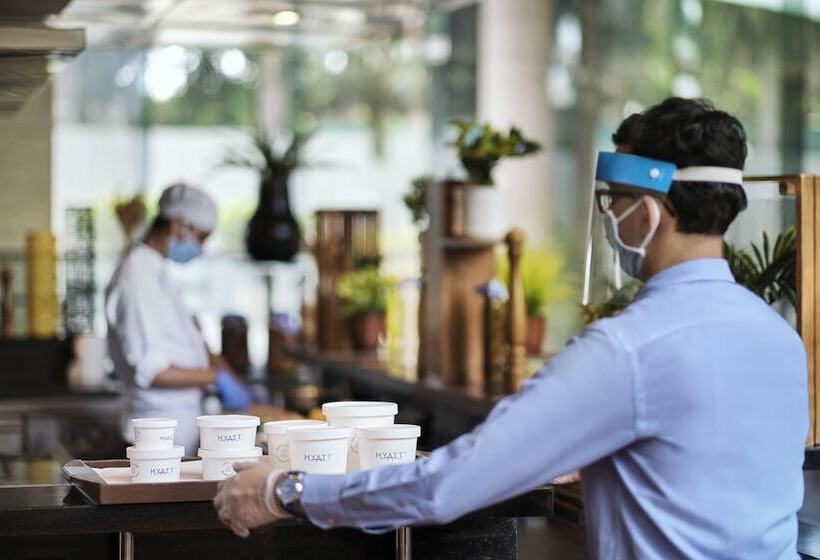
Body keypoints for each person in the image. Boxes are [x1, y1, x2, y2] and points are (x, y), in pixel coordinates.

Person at [214, 99, 808, 559]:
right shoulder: (779, 337)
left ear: (649, 211)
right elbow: (697, 462)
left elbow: (445, 488)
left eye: (616, 201)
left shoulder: (628, 349)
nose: (610, 219)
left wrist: (287, 492)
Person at [106, 183, 252, 455]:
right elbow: (152, 370)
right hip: (154, 438)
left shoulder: (156, 271)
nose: (202, 247)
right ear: (177, 225)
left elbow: (195, 344)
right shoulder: (136, 278)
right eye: (202, 237)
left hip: (177, 433)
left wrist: (233, 382)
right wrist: (216, 379)